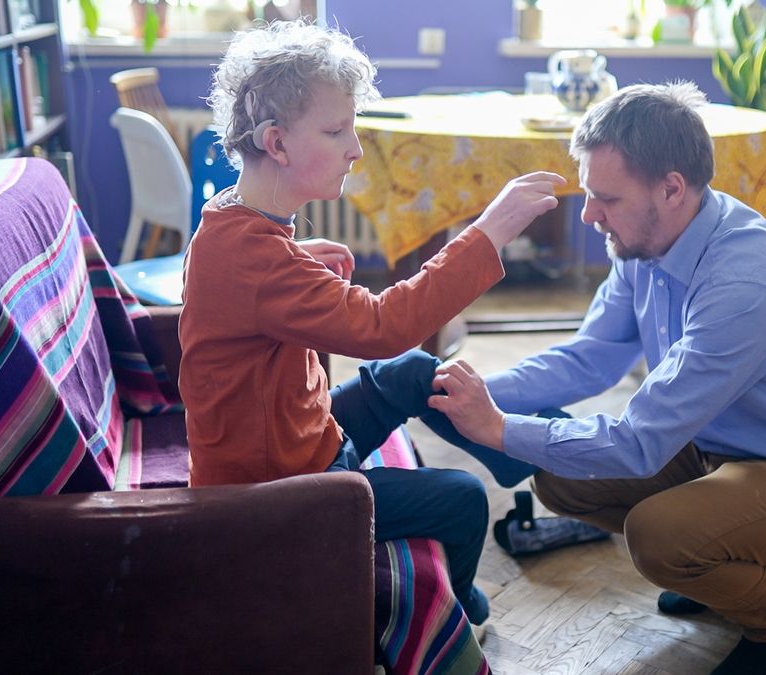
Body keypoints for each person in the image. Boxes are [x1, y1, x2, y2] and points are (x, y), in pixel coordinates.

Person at [428, 81, 766, 674]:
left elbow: (641, 444)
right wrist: (467, 390)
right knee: (559, 479)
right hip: (716, 448)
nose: (588, 215)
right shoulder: (644, 246)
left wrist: (496, 430)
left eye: (606, 198)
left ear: (672, 188)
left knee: (659, 536)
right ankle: (722, 562)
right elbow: (589, 358)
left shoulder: (745, 282)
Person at [178, 19, 568, 627]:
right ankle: (457, 611)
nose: (355, 148)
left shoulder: (232, 219)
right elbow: (386, 324)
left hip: (303, 437)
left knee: (412, 373)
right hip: (273, 490)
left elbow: (233, 289)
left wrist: (297, 260)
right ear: (276, 143)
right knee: (462, 501)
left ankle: (512, 452)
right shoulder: (256, 259)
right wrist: (487, 231)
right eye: (336, 131)